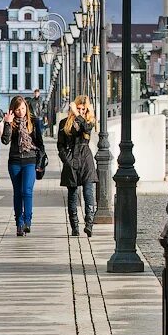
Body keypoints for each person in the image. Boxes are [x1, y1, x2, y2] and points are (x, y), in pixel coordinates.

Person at [1, 96, 45, 236]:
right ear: (13, 110)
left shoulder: (34, 122)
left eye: (23, 108)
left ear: (26, 107)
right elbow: (5, 141)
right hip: (14, 161)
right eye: (18, 109)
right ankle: (19, 224)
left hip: (30, 161)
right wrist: (7, 124)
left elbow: (40, 145)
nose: (21, 112)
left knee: (27, 191)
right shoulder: (11, 122)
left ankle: (27, 222)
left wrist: (40, 164)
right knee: (18, 193)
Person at [57, 96, 98, 237]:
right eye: (77, 108)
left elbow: (86, 129)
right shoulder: (64, 123)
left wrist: (78, 115)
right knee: (72, 194)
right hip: (71, 158)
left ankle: (89, 224)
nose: (80, 111)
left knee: (88, 192)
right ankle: (74, 226)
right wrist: (66, 160)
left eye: (83, 109)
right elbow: (60, 145)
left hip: (85, 158)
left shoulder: (88, 122)